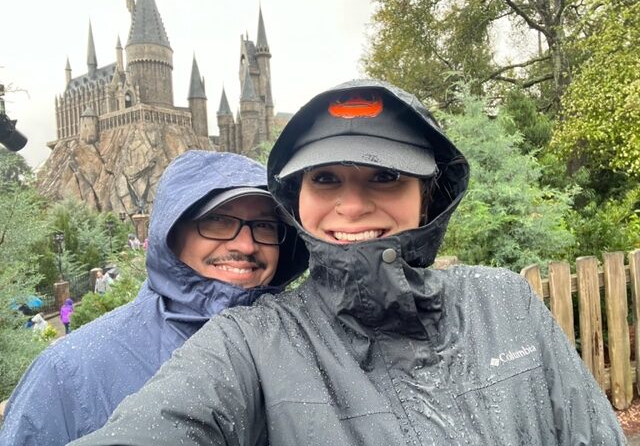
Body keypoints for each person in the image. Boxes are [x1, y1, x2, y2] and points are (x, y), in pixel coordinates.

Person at [69, 80, 625, 445]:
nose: (353, 205)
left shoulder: (505, 302)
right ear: (297, 199)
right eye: (326, 178)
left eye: (385, 176)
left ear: (429, 194)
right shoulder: (251, 343)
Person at [0, 150, 307, 446]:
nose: (247, 244)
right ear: (171, 233)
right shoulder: (67, 374)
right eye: (218, 221)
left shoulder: (307, 347)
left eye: (265, 225)